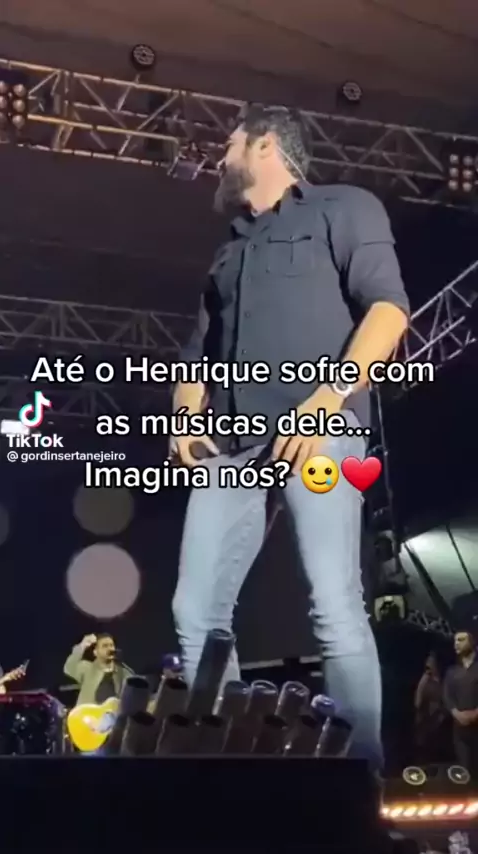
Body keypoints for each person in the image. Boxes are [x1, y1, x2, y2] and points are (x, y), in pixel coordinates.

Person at [171, 103, 409, 770]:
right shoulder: (229, 250)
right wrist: (184, 416)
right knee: (194, 610)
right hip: (234, 443)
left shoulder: (344, 207)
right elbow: (197, 353)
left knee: (333, 601)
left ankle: (359, 779)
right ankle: (226, 768)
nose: (220, 158)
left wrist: (326, 403)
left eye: (229, 143)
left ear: (266, 145)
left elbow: (388, 310)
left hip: (320, 429)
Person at [63, 633, 133, 706]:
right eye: (105, 646)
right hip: (88, 712)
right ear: (95, 652)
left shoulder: (123, 673)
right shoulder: (87, 668)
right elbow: (69, 668)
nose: (110, 649)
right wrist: (82, 646)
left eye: (111, 645)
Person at [444, 631, 478, 777]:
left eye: (461, 640)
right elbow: (447, 696)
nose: (456, 644)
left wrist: (475, 714)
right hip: (459, 730)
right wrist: (456, 713)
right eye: (455, 640)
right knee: (464, 771)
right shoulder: (452, 671)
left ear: (472, 642)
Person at [414, 652, 447, 762]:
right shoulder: (424, 680)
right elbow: (417, 701)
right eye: (427, 663)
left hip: (437, 718)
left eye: (431, 663)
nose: (429, 666)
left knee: (435, 747)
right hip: (424, 718)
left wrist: (442, 714)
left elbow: (444, 698)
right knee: (423, 746)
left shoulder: (441, 680)